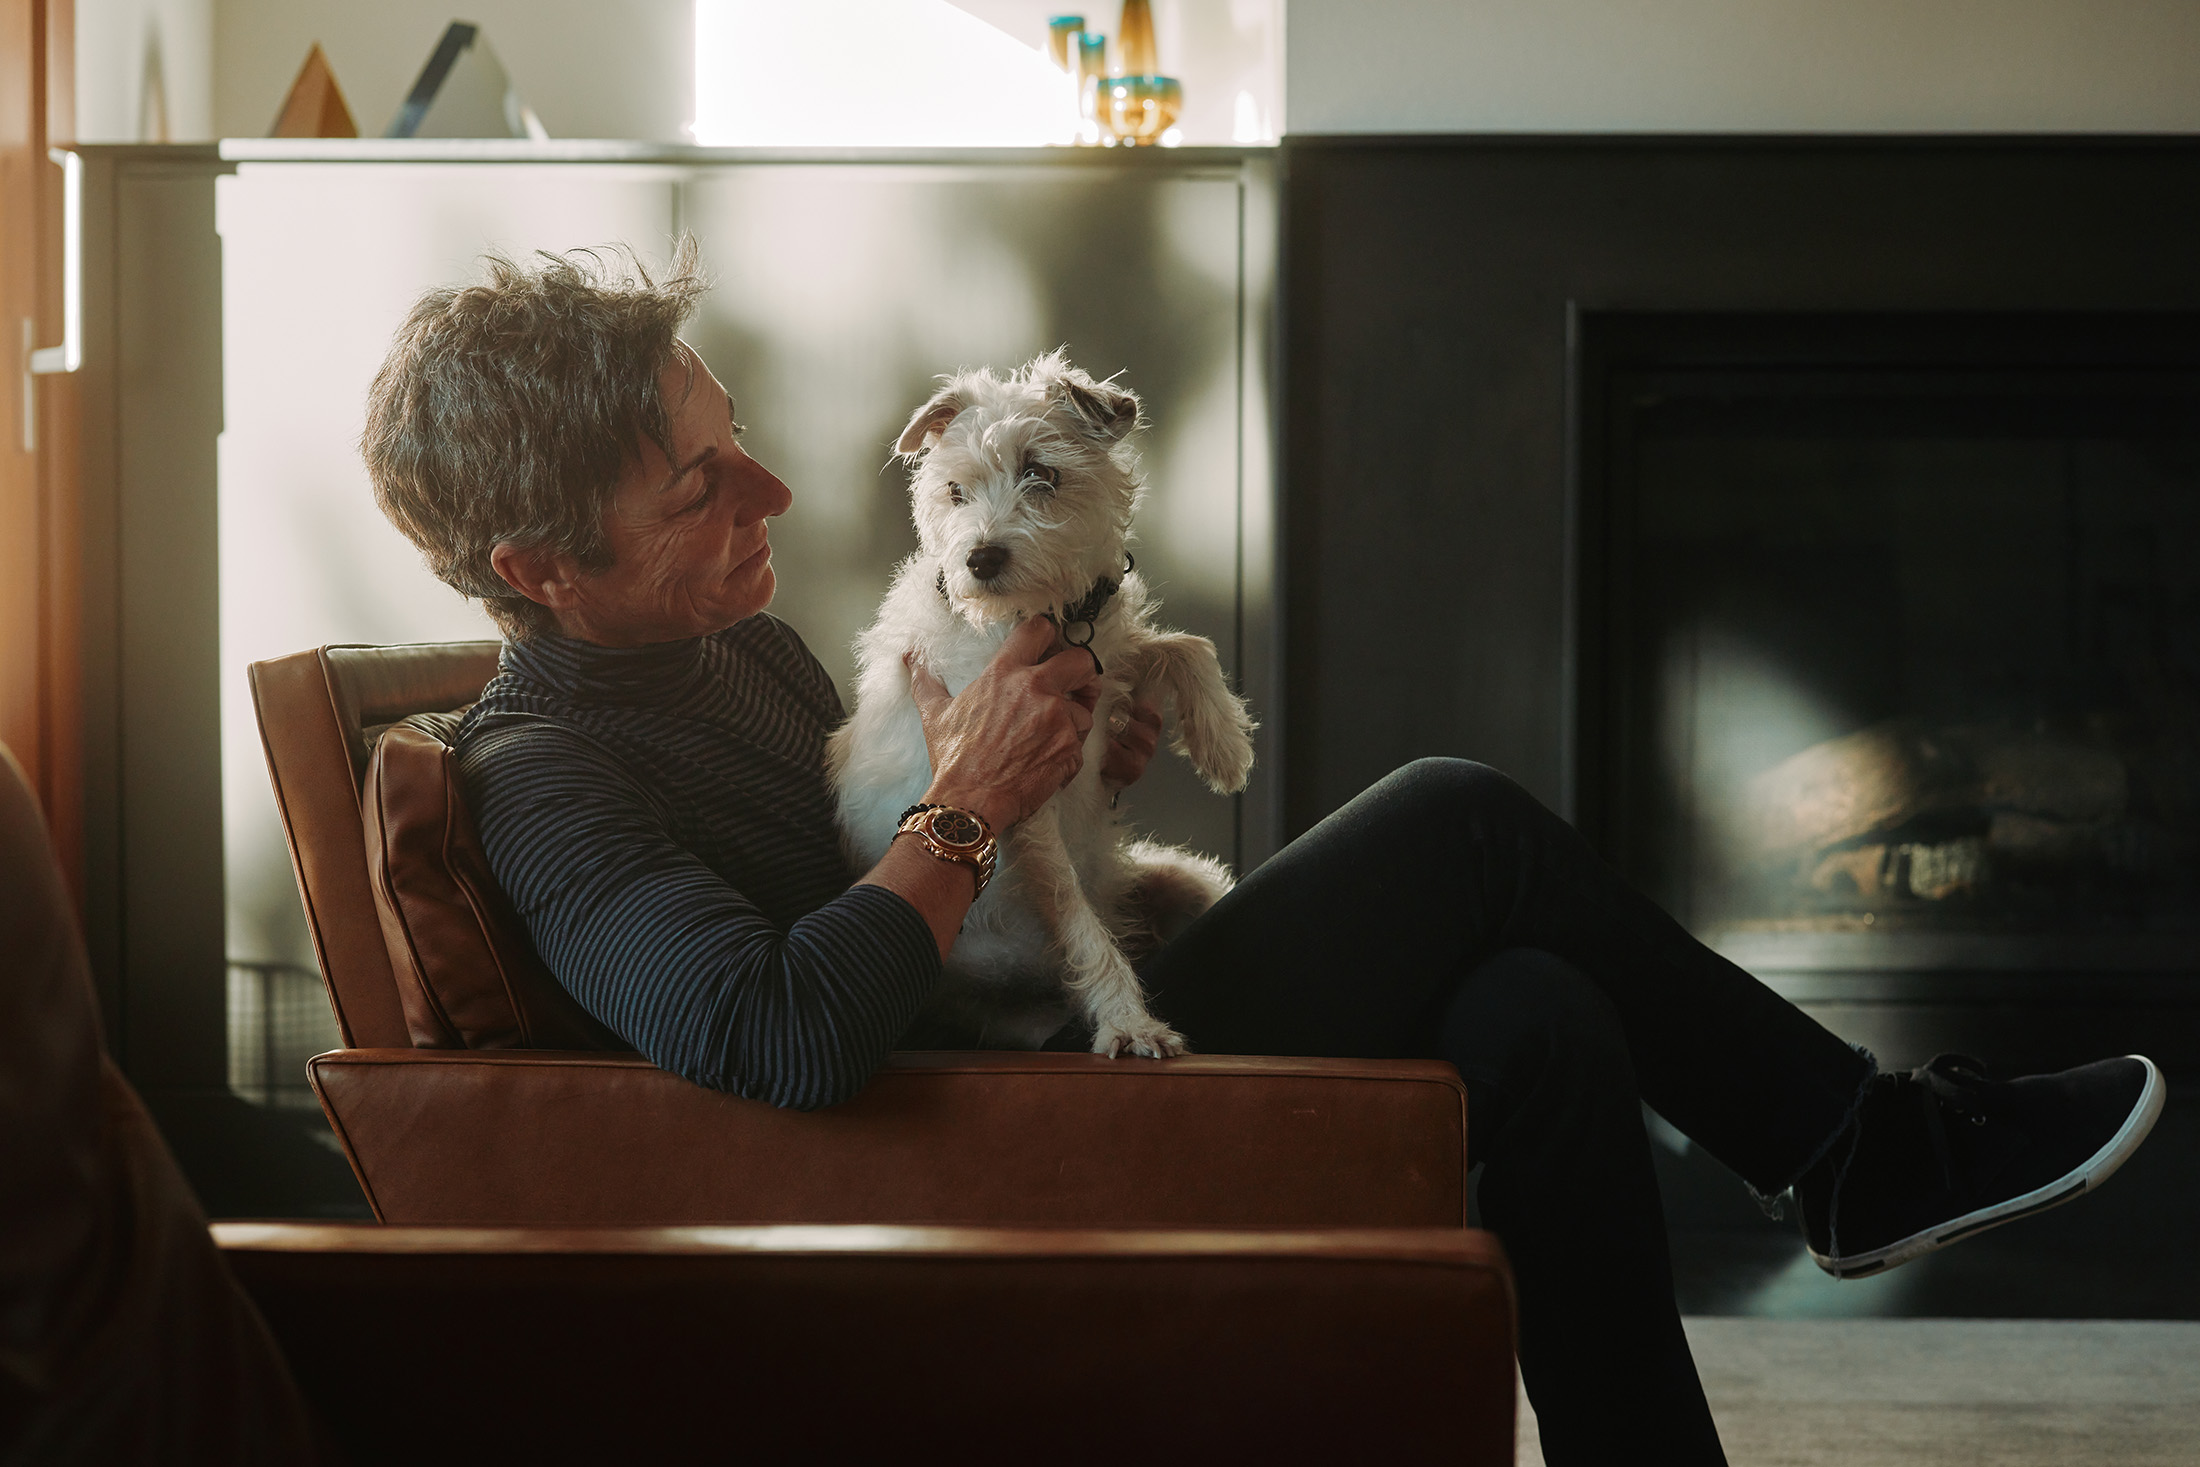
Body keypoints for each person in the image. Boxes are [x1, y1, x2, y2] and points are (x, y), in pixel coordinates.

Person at [362, 245, 2163, 1466]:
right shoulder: (542, 782)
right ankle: (1861, 1150)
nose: (764, 493)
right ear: (540, 567)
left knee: (1536, 1013)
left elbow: (907, 824)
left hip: (1023, 1029)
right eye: (699, 483)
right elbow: (775, 1035)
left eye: (734, 437)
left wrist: (1059, 771)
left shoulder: (719, 652)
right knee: (1460, 813)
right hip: (988, 1121)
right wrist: (976, 803)